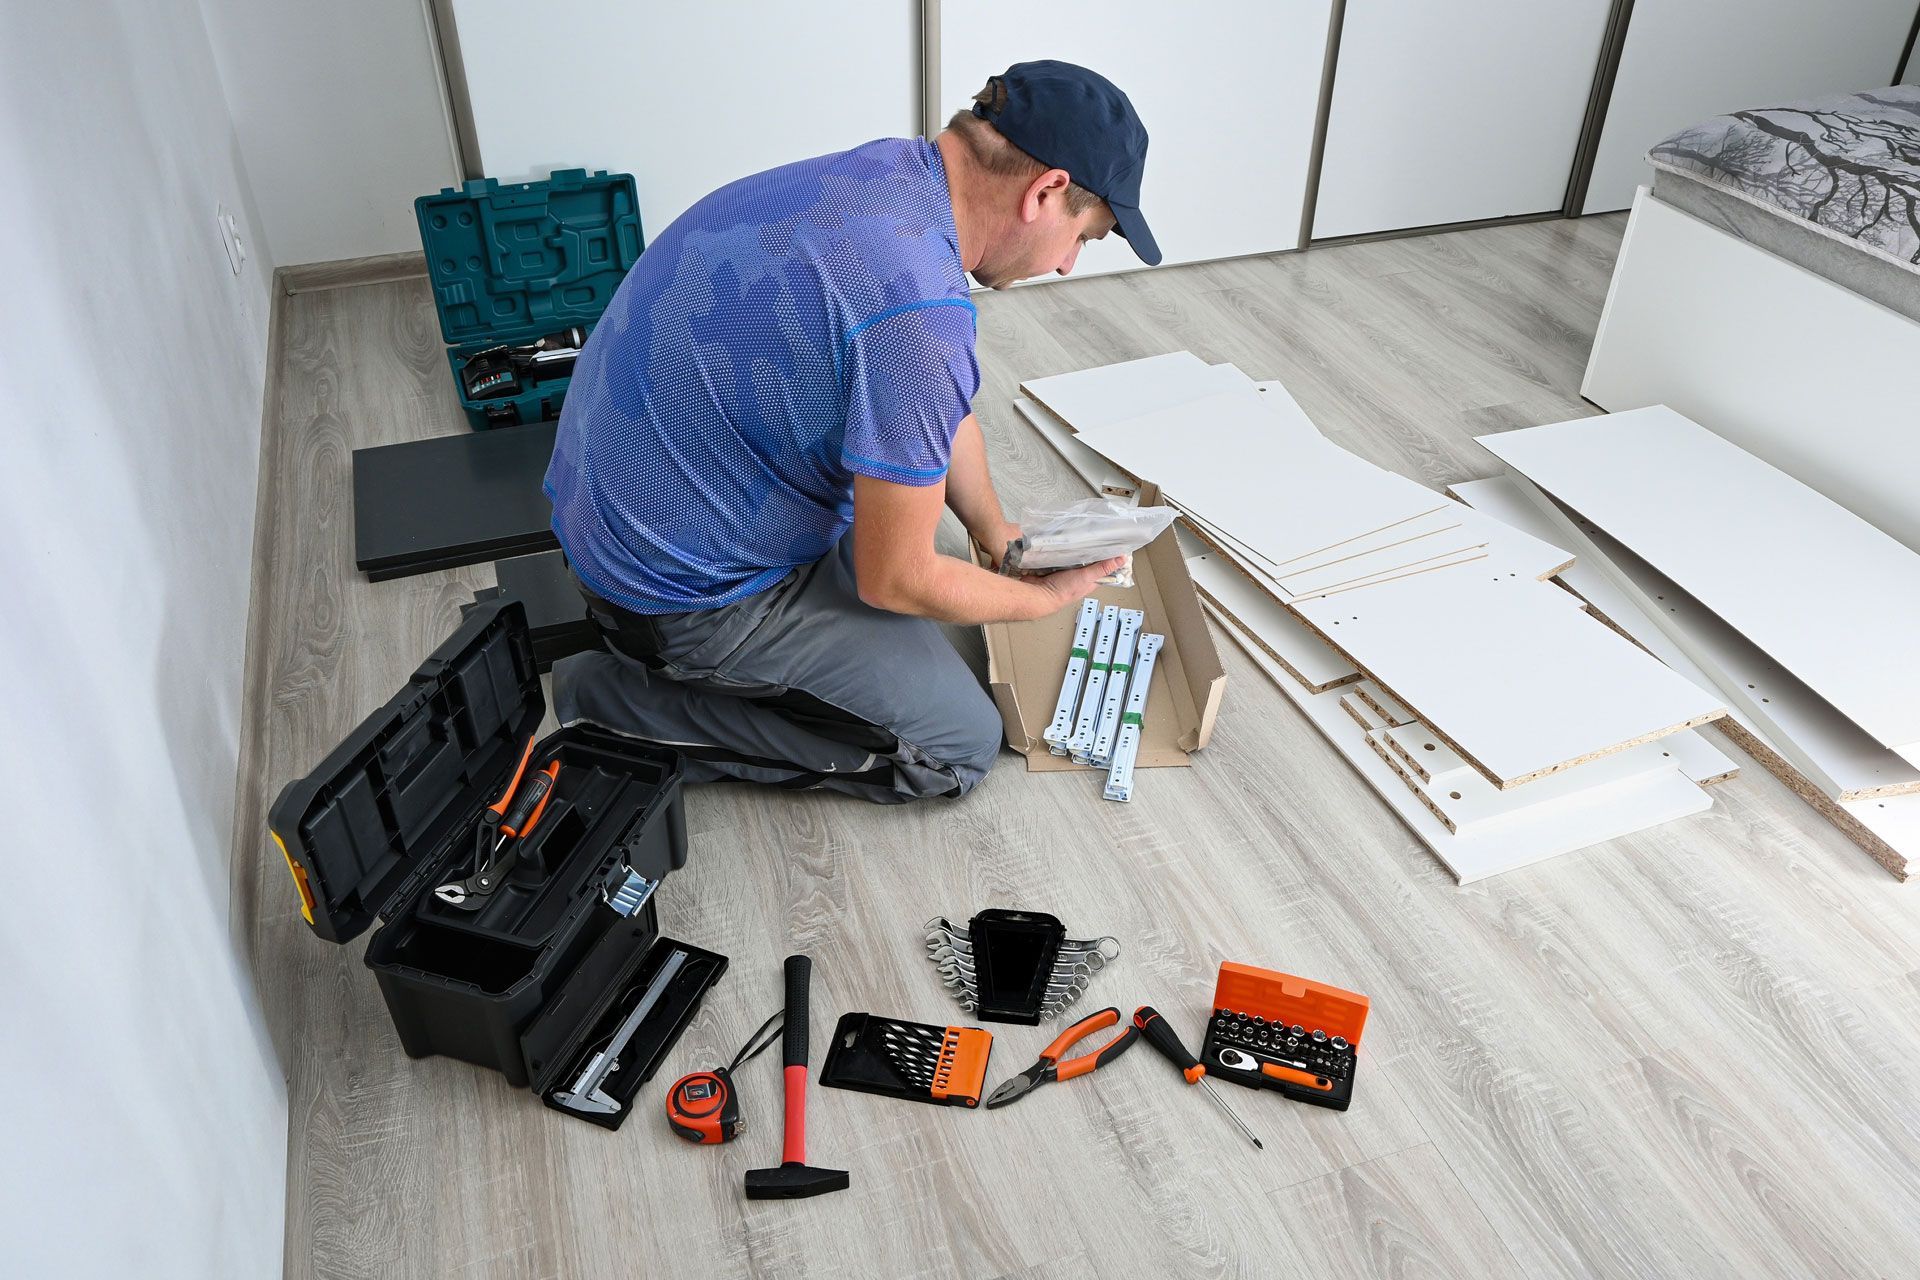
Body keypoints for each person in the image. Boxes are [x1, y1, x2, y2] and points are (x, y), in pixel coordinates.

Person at [544, 60, 1159, 803]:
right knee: (958, 744)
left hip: (613, 506)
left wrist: (996, 534)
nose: (1066, 265)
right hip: (674, 600)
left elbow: (933, 406)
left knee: (925, 530)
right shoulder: (916, 317)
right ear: (1046, 191)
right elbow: (894, 577)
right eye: (1083, 238)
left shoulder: (887, 178)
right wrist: (1046, 599)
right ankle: (618, 705)